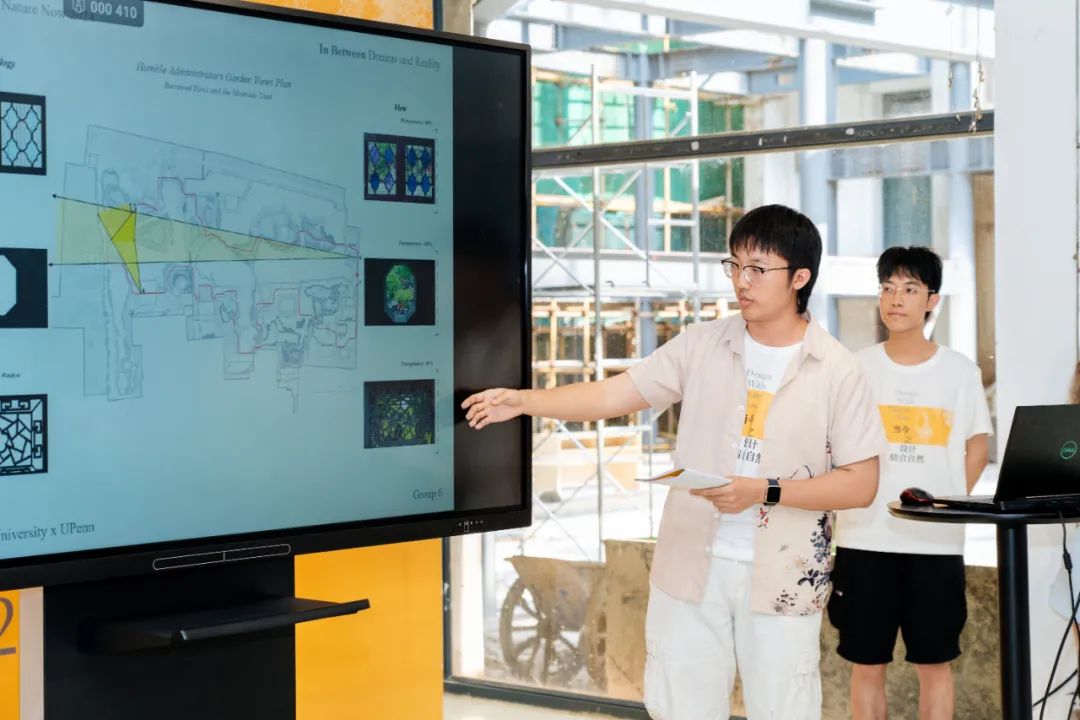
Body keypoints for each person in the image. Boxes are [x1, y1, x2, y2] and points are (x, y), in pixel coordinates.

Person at [463, 204, 883, 720]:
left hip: (784, 576)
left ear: (800, 277)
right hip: (690, 566)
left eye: (757, 269)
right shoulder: (702, 345)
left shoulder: (838, 369)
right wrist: (526, 401)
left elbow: (860, 484)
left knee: (784, 710)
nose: (741, 281)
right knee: (681, 708)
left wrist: (763, 491)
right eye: (734, 265)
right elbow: (615, 394)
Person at [830, 246, 992, 720]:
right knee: (866, 665)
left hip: (934, 545)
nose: (895, 299)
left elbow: (977, 448)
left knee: (935, 664)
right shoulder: (855, 368)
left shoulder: (960, 372)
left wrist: (940, 508)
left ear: (932, 300)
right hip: (864, 539)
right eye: (887, 288)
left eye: (909, 288)